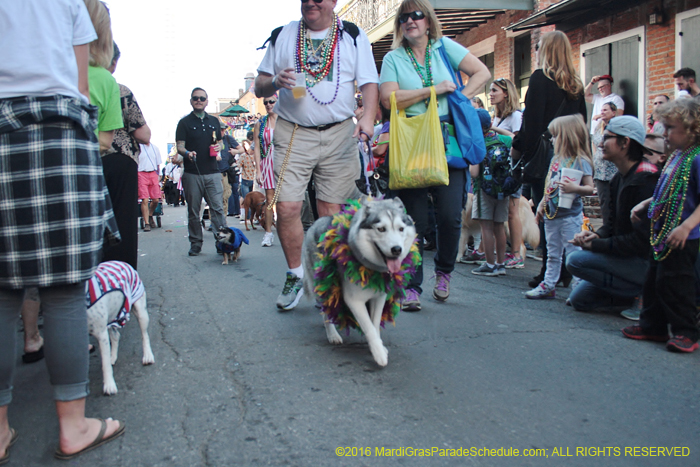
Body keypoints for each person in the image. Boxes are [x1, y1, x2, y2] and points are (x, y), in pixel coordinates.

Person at [0, 0, 124, 460]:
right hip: (57, 134)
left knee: (1, 294)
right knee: (66, 292)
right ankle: (73, 425)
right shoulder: (68, 1)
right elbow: (76, 86)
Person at [255, 0, 379, 311]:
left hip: (339, 132)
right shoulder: (282, 35)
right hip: (294, 130)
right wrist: (273, 82)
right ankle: (296, 274)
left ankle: (327, 276)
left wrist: (367, 119)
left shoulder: (352, 35)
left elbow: (368, 82)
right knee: (286, 207)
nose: (311, 2)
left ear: (334, 1)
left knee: (331, 210)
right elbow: (259, 85)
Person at [378, 0, 490, 310]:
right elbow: (389, 99)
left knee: (450, 215)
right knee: (413, 220)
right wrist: (433, 91)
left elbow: (482, 72)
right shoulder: (393, 58)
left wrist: (460, 102)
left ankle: (444, 273)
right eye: (404, 17)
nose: (410, 21)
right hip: (412, 141)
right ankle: (412, 286)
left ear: (428, 21)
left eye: (417, 15)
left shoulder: (444, 48)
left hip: (446, 141)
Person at [511, 30, 587, 289]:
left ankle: (549, 270)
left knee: (545, 213)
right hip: (570, 156)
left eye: (538, 47)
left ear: (546, 51)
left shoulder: (540, 78)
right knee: (568, 213)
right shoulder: (576, 84)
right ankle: (566, 268)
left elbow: (530, 121)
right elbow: (582, 123)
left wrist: (520, 148)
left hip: (544, 156)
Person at [623, 98, 700, 353]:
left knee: (677, 284)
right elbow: (667, 189)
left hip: (683, 234)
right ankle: (652, 325)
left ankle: (686, 331)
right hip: (663, 230)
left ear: (691, 129)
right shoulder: (678, 155)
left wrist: (686, 227)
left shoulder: (697, 158)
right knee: (654, 280)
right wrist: (647, 205)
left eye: (669, 128)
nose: (663, 133)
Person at [566, 116, 659, 316]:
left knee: (575, 260)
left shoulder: (647, 180)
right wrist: (596, 236)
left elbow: (642, 243)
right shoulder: (618, 178)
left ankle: (646, 294)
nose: (600, 143)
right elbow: (611, 224)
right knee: (579, 300)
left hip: (645, 262)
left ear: (625, 143)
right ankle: (627, 296)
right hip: (624, 257)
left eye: (607, 137)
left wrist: (597, 246)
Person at [525, 115, 594, 299]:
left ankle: (577, 287)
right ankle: (549, 283)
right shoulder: (556, 159)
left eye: (555, 136)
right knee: (552, 252)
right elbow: (550, 185)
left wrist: (575, 188)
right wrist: (541, 205)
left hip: (570, 215)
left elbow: (590, 188)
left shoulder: (581, 161)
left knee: (572, 252)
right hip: (551, 213)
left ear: (567, 136)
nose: (552, 139)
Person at [174, 88, 225, 256]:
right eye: (195, 98)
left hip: (213, 172)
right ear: (191, 101)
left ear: (207, 101)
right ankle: (196, 243)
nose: (199, 100)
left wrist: (220, 146)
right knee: (194, 211)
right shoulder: (184, 123)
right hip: (192, 173)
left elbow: (221, 143)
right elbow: (179, 146)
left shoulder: (214, 121)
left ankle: (222, 241)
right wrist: (187, 153)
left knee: (217, 209)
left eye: (202, 98)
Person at [470, 109, 513, 276]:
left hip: (483, 190)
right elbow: (513, 137)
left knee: (486, 227)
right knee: (499, 226)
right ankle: (501, 264)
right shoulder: (502, 140)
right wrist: (495, 128)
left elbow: (474, 173)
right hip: (503, 188)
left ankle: (489, 264)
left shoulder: (478, 143)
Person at [489, 78, 525, 269]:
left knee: (512, 211)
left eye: (494, 90)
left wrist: (492, 128)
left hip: (512, 170)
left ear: (506, 93)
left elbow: (516, 139)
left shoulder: (516, 116)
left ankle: (517, 254)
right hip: (498, 170)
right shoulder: (497, 116)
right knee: (501, 213)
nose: (491, 94)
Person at [254, 96, 278, 247]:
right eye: (266, 103)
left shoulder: (287, 120)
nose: (268, 105)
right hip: (268, 162)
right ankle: (268, 233)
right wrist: (258, 170)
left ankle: (288, 231)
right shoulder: (260, 123)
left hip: (285, 162)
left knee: (287, 200)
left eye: (271, 102)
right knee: (269, 200)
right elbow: (256, 147)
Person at [591, 102, 619, 224]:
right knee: (604, 201)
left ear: (613, 112)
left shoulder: (617, 126)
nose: (602, 112)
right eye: (601, 110)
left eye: (605, 110)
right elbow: (594, 142)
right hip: (600, 169)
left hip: (613, 169)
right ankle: (607, 225)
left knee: (615, 200)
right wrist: (596, 155)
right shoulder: (598, 126)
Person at [218, 121, 243, 218]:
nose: (222, 131)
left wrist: (235, 151)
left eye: (223, 129)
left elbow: (241, 149)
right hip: (213, 172)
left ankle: (223, 220)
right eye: (220, 129)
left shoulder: (228, 139)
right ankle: (215, 222)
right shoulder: (211, 140)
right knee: (214, 198)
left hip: (225, 171)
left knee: (225, 196)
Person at [137, 143, 162, 232]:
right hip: (141, 173)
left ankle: (150, 214)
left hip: (153, 173)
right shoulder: (138, 147)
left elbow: (158, 163)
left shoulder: (155, 148)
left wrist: (159, 175)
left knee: (155, 199)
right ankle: (147, 223)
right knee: (145, 199)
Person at [238, 136, 256, 223]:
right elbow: (238, 166)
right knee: (247, 199)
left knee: (251, 199)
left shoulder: (254, 155)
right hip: (245, 179)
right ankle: (248, 217)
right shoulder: (243, 156)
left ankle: (252, 217)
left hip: (253, 179)